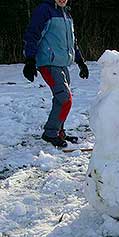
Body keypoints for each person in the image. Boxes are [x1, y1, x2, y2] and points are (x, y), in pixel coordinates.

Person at [23, 0, 89, 148]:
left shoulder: (66, 12)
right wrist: (29, 60)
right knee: (65, 98)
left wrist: (80, 62)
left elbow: (72, 41)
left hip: (62, 63)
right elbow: (32, 34)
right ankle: (50, 133)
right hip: (48, 62)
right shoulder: (44, 10)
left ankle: (59, 132)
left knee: (60, 99)